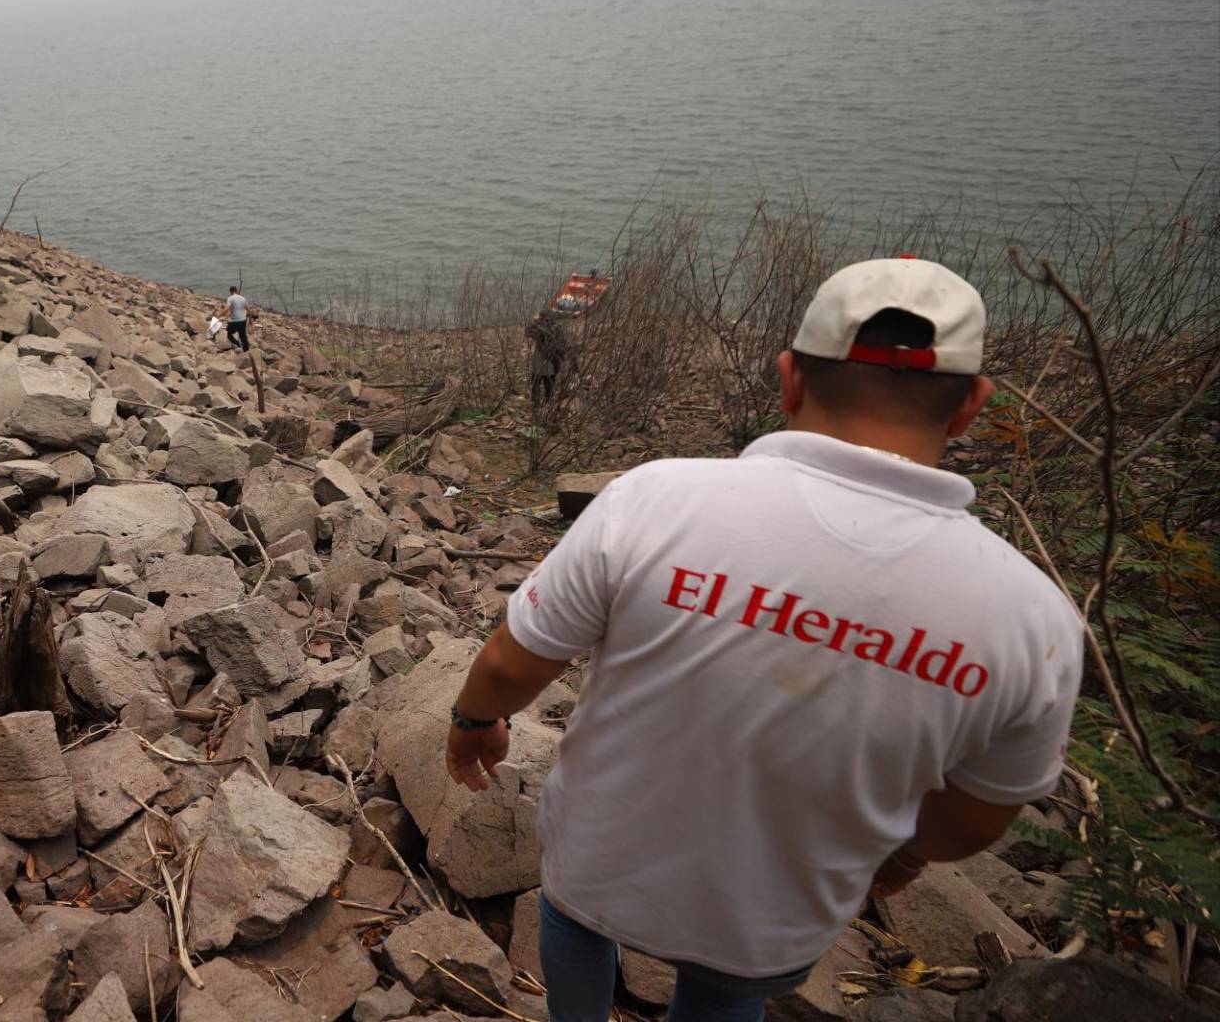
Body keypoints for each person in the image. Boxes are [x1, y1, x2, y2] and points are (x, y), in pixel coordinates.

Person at [444, 257, 1082, 1022]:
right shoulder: (1033, 617)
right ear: (971, 405)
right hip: (772, 920)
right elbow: (972, 820)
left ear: (789, 380)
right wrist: (907, 852)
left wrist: (473, 723)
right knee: (726, 991)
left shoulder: (655, 499)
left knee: (573, 922)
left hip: (598, 865)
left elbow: (515, 659)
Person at [224, 287, 250, 352]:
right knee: (243, 336)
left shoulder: (230, 298)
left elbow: (227, 309)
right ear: (237, 291)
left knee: (229, 335)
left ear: (230, 292)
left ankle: (237, 344)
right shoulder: (243, 298)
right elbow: (249, 311)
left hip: (234, 321)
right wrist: (251, 320)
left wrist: (219, 315)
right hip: (243, 320)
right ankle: (246, 350)